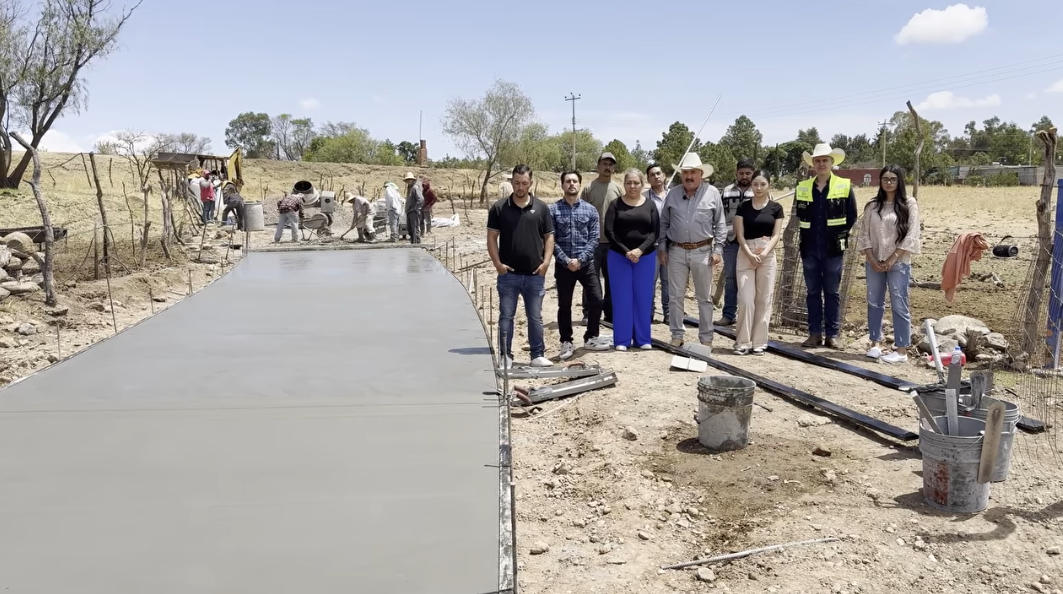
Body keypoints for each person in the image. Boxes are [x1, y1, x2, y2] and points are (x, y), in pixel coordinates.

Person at [487, 164, 555, 368]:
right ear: (511, 183)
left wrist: (546, 263)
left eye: (524, 183)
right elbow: (491, 238)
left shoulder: (541, 208)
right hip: (508, 275)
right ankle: (505, 355)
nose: (520, 187)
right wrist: (498, 264)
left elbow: (549, 237)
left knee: (535, 316)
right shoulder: (499, 208)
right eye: (516, 183)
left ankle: (537, 355)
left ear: (530, 184)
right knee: (506, 316)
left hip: (535, 275)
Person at [659, 153, 727, 349]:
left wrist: (718, 249)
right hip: (676, 251)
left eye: (693, 172)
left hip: (703, 250)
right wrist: (662, 247)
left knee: (704, 298)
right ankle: (677, 334)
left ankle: (706, 338)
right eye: (685, 172)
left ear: (701, 174)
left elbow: (720, 224)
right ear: (681, 174)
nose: (689, 176)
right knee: (675, 296)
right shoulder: (672, 193)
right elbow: (664, 222)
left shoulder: (712, 193)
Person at [795, 143, 859, 349]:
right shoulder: (803, 188)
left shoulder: (845, 186)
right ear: (812, 164)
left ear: (832, 162)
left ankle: (832, 334)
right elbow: (799, 215)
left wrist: (837, 234)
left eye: (825, 160)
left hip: (833, 248)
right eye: (818, 160)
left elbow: (852, 215)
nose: (821, 163)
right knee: (812, 292)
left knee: (832, 292)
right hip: (809, 247)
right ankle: (814, 334)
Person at [857, 164, 921, 364]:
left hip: (899, 262)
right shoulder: (872, 205)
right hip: (874, 261)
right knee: (874, 302)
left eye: (893, 179)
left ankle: (901, 350)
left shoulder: (909, 204)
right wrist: (872, 260)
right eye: (885, 179)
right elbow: (864, 234)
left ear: (900, 181)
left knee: (899, 302)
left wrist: (893, 258)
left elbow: (911, 235)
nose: (889, 183)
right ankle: (875, 343)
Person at [550, 170, 611, 360]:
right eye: (567, 181)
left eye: (575, 181)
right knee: (564, 305)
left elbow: (594, 239)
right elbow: (550, 239)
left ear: (579, 184)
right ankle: (566, 341)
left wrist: (580, 260)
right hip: (563, 266)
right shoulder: (552, 210)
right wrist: (566, 260)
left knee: (597, 300)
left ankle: (591, 337)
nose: (571, 184)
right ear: (562, 185)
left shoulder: (590, 210)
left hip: (586, 266)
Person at [605, 168, 660, 351]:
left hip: (645, 257)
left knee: (643, 298)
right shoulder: (615, 205)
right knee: (622, 298)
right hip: (618, 257)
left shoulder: (650, 205)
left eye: (636, 183)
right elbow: (609, 231)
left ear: (642, 184)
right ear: (624, 184)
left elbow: (655, 232)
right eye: (629, 183)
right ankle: (622, 340)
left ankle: (642, 339)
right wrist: (626, 251)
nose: (632, 186)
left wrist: (640, 250)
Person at [732, 170, 785, 355]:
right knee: (746, 300)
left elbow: (776, 234)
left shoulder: (776, 208)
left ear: (769, 185)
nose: (759, 188)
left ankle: (759, 342)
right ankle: (742, 342)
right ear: (751, 186)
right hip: (746, 252)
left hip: (767, 253)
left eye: (762, 184)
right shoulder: (743, 208)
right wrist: (749, 254)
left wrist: (764, 254)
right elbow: (739, 234)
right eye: (755, 184)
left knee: (764, 299)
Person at [580, 152, 623, 324]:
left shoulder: (618, 188)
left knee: (612, 281)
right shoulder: (589, 188)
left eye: (610, 164)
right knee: (589, 279)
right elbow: (581, 213)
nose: (607, 167)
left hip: (613, 244)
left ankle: (610, 314)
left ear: (614, 168)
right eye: (604, 164)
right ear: (598, 166)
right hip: (592, 244)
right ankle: (588, 312)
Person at [718, 159, 756, 326]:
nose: (744, 176)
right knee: (731, 278)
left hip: (752, 241)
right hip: (731, 240)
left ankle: (748, 317)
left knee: (751, 280)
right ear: (736, 173)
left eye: (748, 173)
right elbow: (719, 216)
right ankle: (728, 314)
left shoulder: (758, 190)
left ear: (753, 173)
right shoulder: (726, 191)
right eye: (741, 173)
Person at [643, 163, 670, 323]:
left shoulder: (674, 195)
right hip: (651, 247)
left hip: (671, 246)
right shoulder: (644, 197)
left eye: (659, 173)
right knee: (650, 281)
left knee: (668, 282)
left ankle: (668, 314)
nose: (656, 176)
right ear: (648, 179)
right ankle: (649, 313)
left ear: (664, 175)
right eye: (652, 174)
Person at [403, 172, 424, 244]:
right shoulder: (410, 187)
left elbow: (421, 199)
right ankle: (413, 243)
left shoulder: (415, 188)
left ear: (412, 180)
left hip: (413, 211)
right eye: (407, 180)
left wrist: (415, 208)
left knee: (414, 228)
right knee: (410, 229)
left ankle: (416, 244)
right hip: (409, 211)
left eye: (410, 179)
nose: (408, 181)